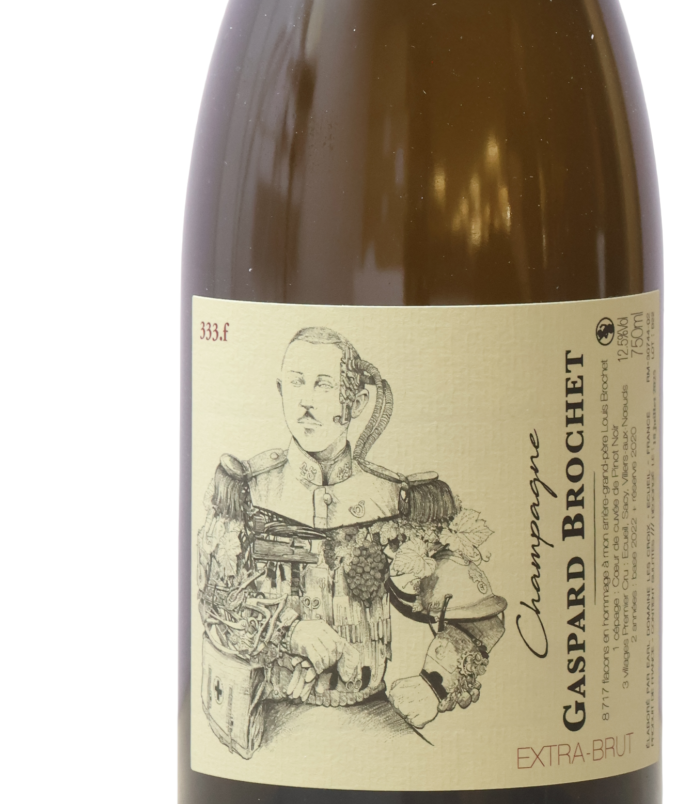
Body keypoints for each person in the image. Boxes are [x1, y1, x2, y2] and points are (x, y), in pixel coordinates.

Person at [196, 325, 505, 758]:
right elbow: (213, 602)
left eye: (323, 385)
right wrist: (289, 631)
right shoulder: (246, 491)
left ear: (356, 402)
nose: (305, 401)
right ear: (280, 390)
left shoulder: (395, 501)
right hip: (263, 722)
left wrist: (434, 684)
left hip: (367, 717)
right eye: (296, 383)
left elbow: (478, 614)